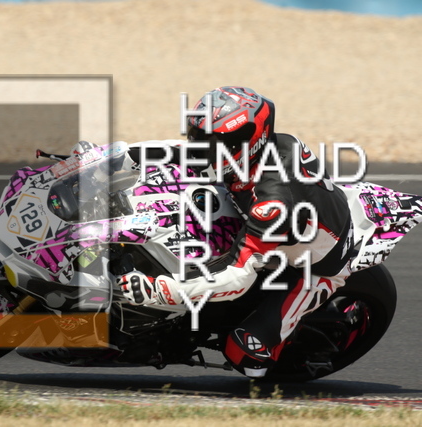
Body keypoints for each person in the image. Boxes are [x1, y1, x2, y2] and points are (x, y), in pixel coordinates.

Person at [118, 86, 354, 378]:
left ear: (245, 144)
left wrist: (162, 291)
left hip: (313, 266)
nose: (199, 148)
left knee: (246, 356)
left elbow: (238, 277)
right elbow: (177, 151)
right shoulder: (256, 151)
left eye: (212, 143)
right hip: (273, 224)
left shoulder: (272, 204)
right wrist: (117, 155)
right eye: (198, 136)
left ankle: (301, 349)